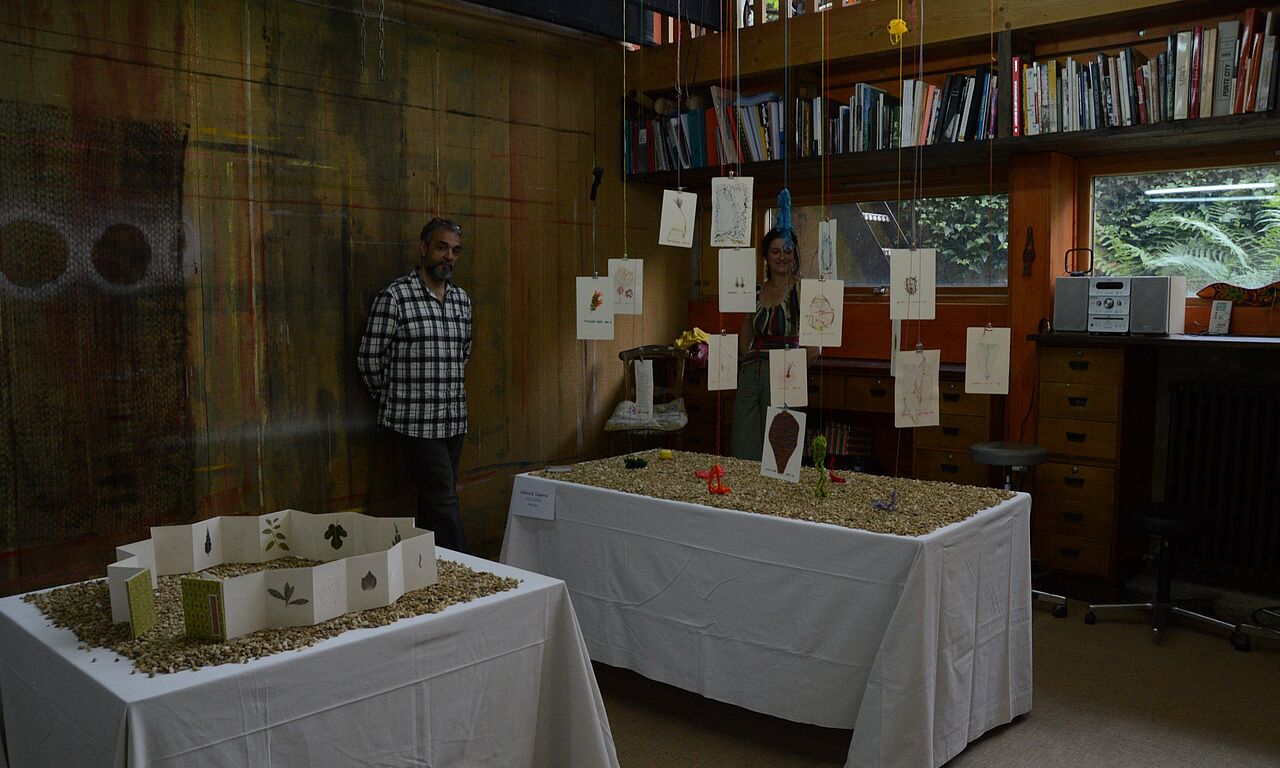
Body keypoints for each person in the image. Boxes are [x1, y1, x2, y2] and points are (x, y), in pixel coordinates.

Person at [358, 217, 472, 552]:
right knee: (444, 499)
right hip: (416, 423)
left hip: (454, 420)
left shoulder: (461, 300)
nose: (448, 256)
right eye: (441, 247)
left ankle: (428, 565)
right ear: (423, 248)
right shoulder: (396, 296)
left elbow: (463, 354)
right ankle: (471, 568)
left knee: (433, 500)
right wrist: (396, 400)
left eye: (455, 251)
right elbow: (369, 357)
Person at [730, 227, 818, 461]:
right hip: (752, 374)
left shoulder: (803, 291)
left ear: (795, 254)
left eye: (787, 251)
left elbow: (815, 348)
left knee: (780, 448)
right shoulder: (756, 291)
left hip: (785, 374)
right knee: (743, 441)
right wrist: (749, 361)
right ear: (766, 256)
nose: (782, 256)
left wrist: (791, 375)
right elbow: (746, 333)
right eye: (775, 251)